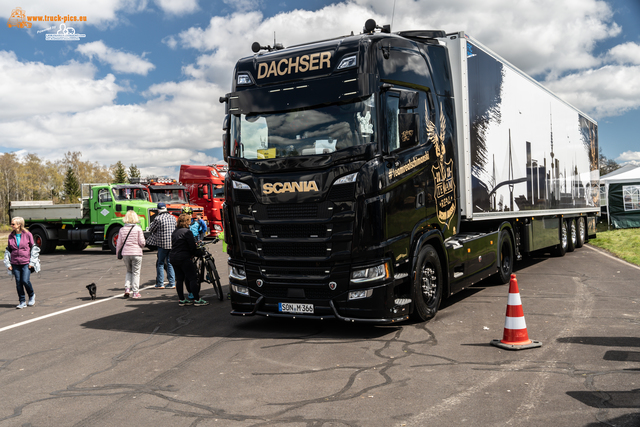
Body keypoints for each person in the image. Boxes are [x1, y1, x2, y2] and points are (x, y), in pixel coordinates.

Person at [170, 213, 209, 307]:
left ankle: (182, 300)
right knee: (192, 278)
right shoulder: (187, 232)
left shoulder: (175, 231)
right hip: (184, 257)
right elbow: (192, 247)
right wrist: (198, 252)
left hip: (173, 257)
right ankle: (197, 299)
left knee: (179, 279)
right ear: (187, 221)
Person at [5, 217, 36, 309]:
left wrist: (32, 262)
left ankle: (31, 295)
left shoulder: (28, 234)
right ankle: (22, 301)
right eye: (11, 224)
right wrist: (8, 264)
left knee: (25, 280)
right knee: (18, 282)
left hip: (26, 262)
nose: (11, 225)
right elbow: (8, 250)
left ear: (19, 224)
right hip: (15, 263)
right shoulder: (11, 236)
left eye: (13, 224)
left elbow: (33, 249)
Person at [116, 210, 146, 299]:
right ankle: (135, 292)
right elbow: (142, 242)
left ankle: (127, 288)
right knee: (136, 272)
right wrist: (142, 245)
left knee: (129, 271)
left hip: (125, 253)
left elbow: (119, 243)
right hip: (136, 253)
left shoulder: (121, 229)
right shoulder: (138, 229)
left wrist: (118, 253)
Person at [146, 202, 176, 289]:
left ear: (158, 209)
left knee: (160, 263)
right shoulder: (172, 218)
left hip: (162, 244)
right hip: (172, 243)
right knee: (170, 263)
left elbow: (152, 229)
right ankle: (172, 282)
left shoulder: (158, 218)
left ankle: (160, 283)